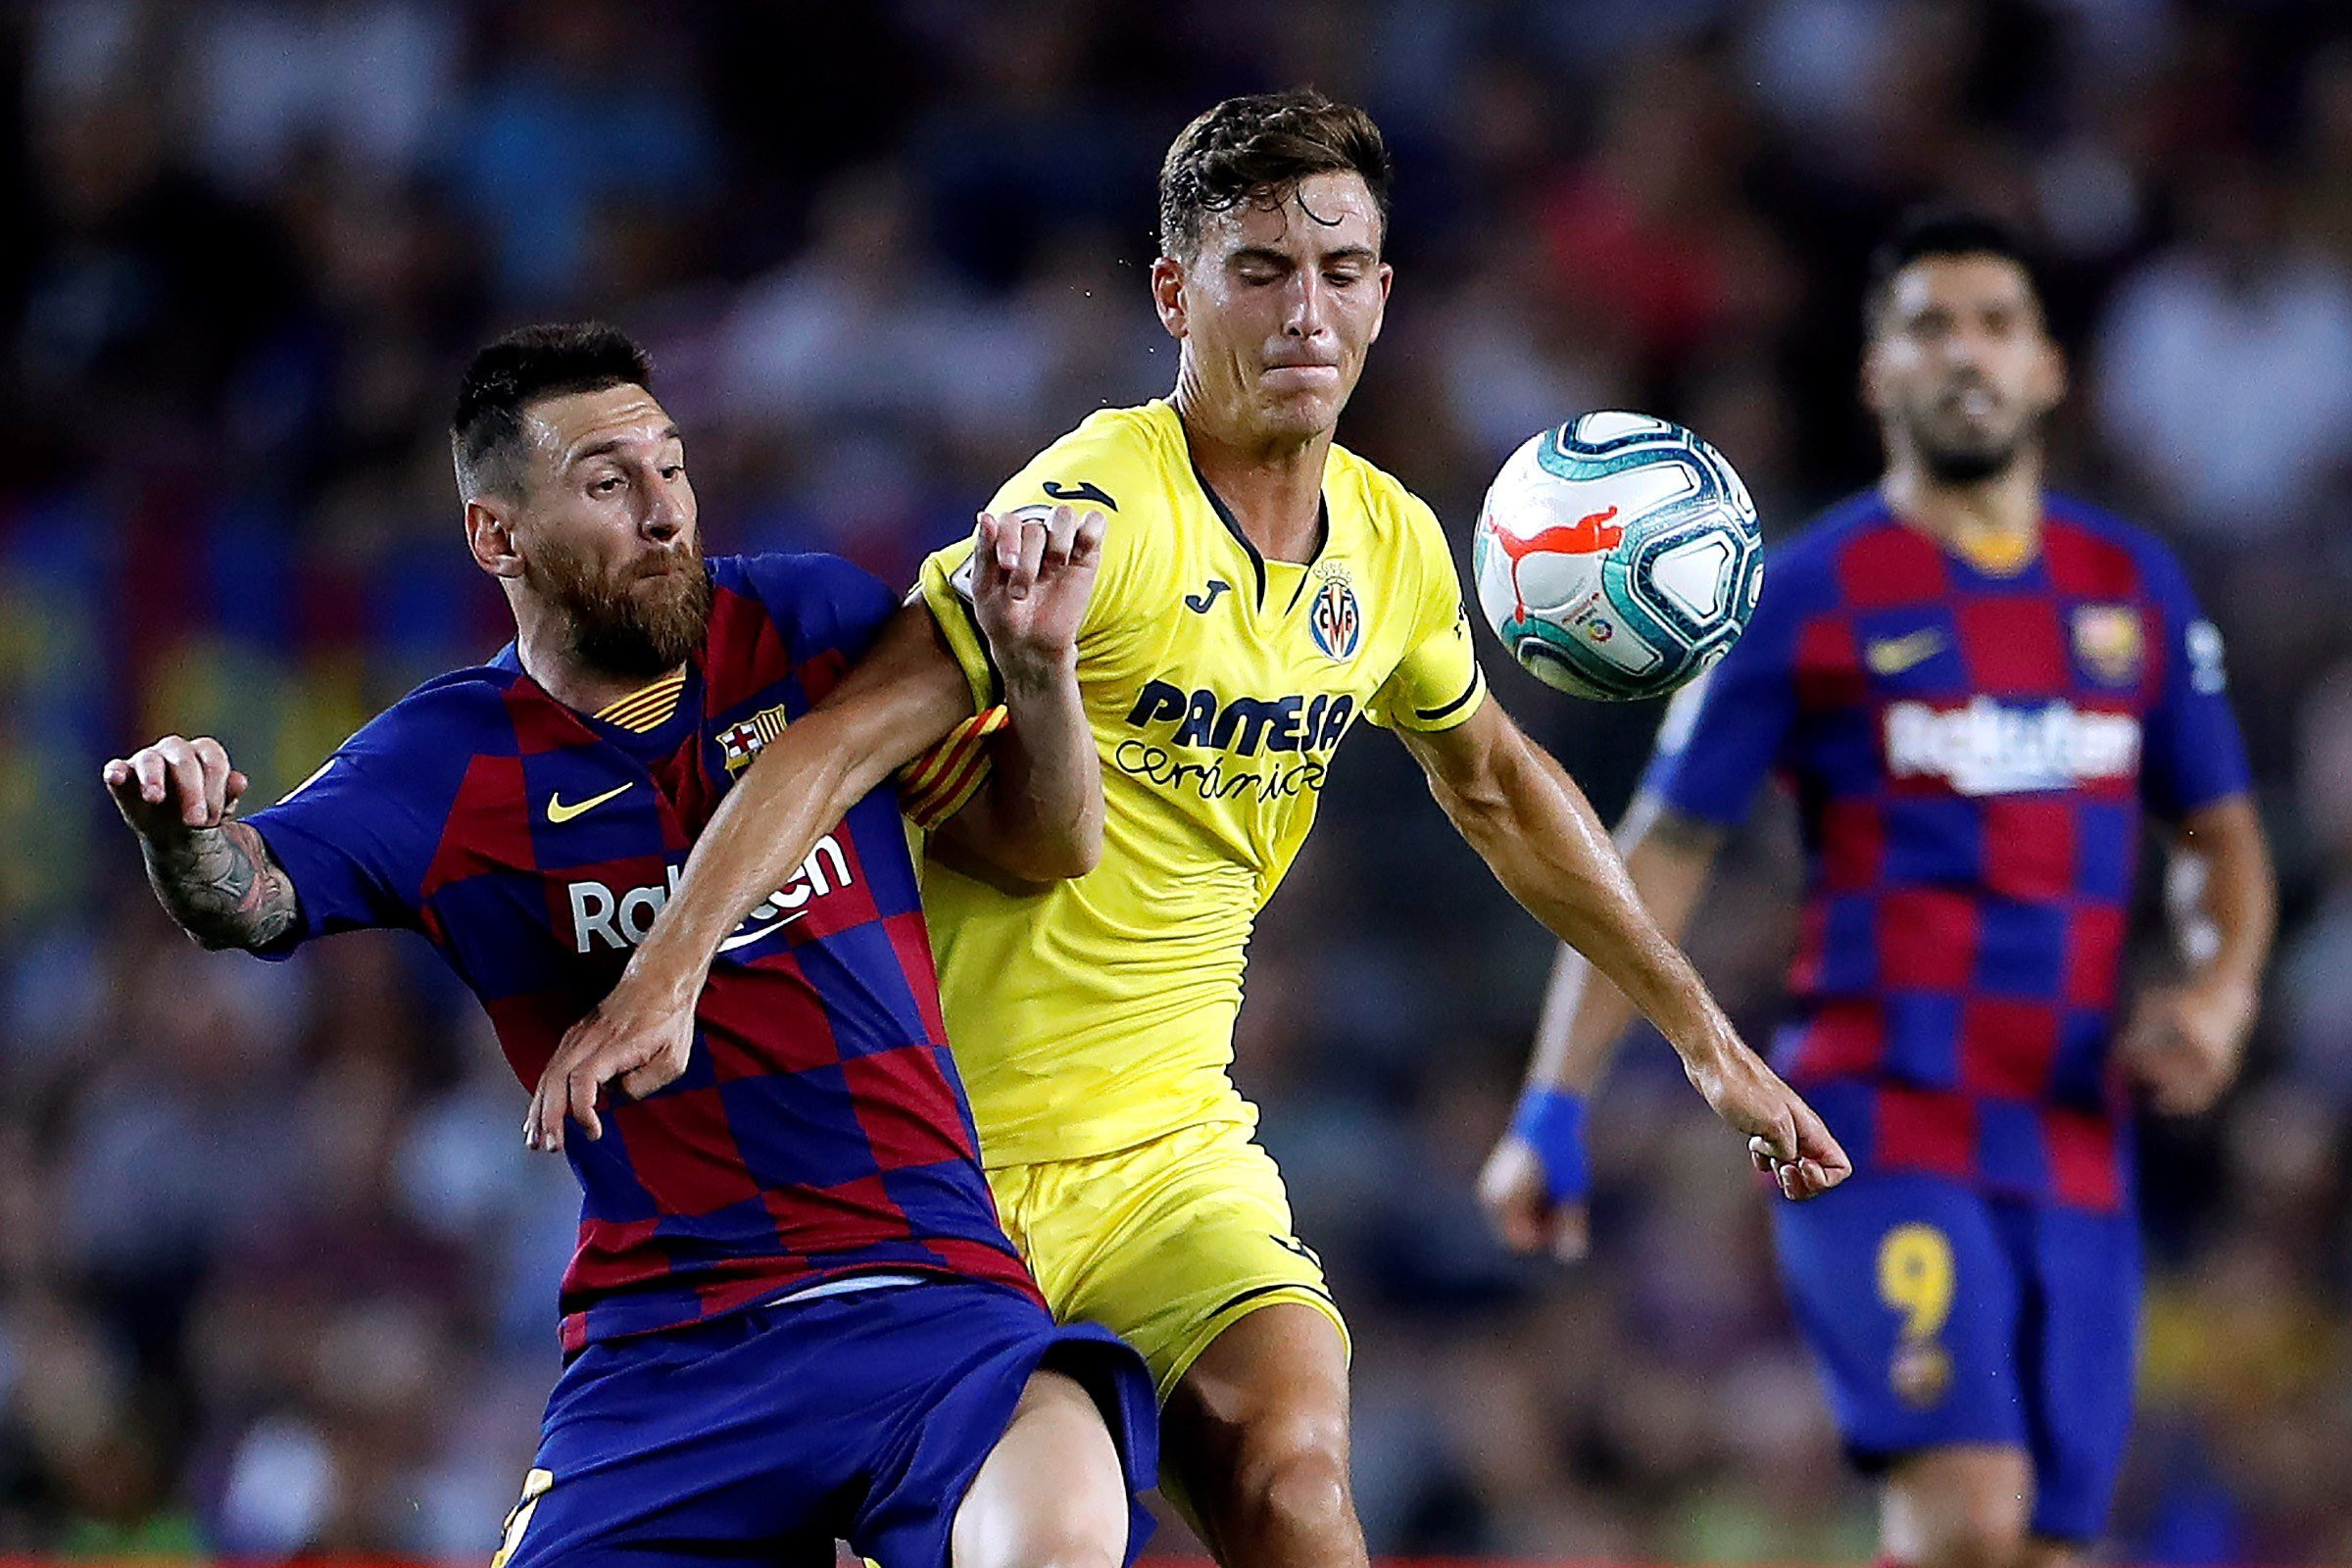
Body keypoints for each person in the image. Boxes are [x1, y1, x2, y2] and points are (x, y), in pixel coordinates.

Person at [550, 91, 1848, 1568]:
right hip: (930, 1179)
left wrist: (1704, 1038)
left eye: (1341, 271)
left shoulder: (1394, 545)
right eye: (1262, 269)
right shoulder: (1088, 507)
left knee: (1296, 1487)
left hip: (1171, 1154)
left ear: (1382, 295)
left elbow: (1495, 782)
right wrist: (667, 972)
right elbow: (835, 741)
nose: (1308, 311)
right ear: (1176, 290)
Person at [101, 323, 1157, 1568]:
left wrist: (1038, 677)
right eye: (609, 482)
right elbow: (249, 896)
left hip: (924, 1295)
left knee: (1060, 1539)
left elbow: (1034, 847)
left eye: (673, 468)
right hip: (668, 1356)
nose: (665, 513)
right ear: (498, 536)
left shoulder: (810, 625)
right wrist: (186, 835)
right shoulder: (445, 763)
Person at [1479, 208, 2278, 1568]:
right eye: (1928, 325)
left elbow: (2218, 831)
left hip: (2075, 1140)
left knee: (2043, 1550)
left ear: (2046, 369)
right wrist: (1555, 1102)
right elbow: (1660, 851)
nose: (1964, 353)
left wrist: (2220, 989)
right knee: (1967, 1523)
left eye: (1995, 324)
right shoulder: (1805, 595)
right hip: (1877, 1122)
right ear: (1876, 373)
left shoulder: (2127, 586)